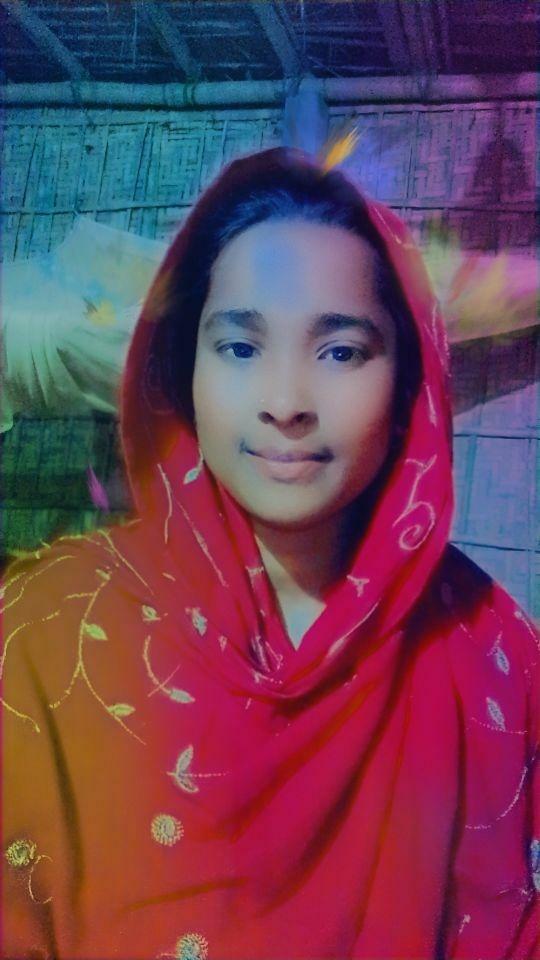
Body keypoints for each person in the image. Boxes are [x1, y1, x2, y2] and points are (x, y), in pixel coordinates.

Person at [1, 147, 538, 960]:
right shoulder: (44, 634)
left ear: (409, 385)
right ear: (181, 370)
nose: (286, 404)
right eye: (240, 348)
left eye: (341, 351)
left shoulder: (488, 650)